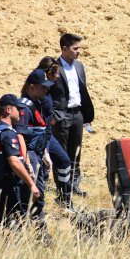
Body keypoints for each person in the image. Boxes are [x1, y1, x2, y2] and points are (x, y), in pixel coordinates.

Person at [49, 33, 95, 197]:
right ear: (64, 49)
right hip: (61, 116)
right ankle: (62, 187)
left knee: (76, 152)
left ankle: (74, 185)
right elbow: (47, 91)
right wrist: (53, 116)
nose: (78, 52)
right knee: (61, 154)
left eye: (79, 48)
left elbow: (82, 90)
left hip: (77, 114)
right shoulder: (54, 67)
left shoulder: (79, 66)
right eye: (75, 49)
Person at [0, 94, 40, 226]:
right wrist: (31, 184)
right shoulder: (8, 133)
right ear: (8, 110)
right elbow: (14, 162)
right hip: (10, 186)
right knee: (15, 226)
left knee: (1, 224)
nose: (20, 112)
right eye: (17, 109)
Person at [16, 69, 54, 219]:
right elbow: (20, 135)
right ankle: (38, 225)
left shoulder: (37, 104)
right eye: (42, 86)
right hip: (30, 154)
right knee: (35, 191)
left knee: (40, 188)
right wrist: (27, 162)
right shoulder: (24, 107)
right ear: (32, 87)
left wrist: (46, 154)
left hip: (38, 153)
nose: (46, 89)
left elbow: (41, 131)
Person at [37, 57, 74, 211]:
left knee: (64, 160)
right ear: (49, 73)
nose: (58, 76)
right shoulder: (38, 92)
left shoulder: (47, 90)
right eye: (56, 73)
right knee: (41, 170)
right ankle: (37, 207)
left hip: (48, 133)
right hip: (38, 134)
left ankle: (65, 199)